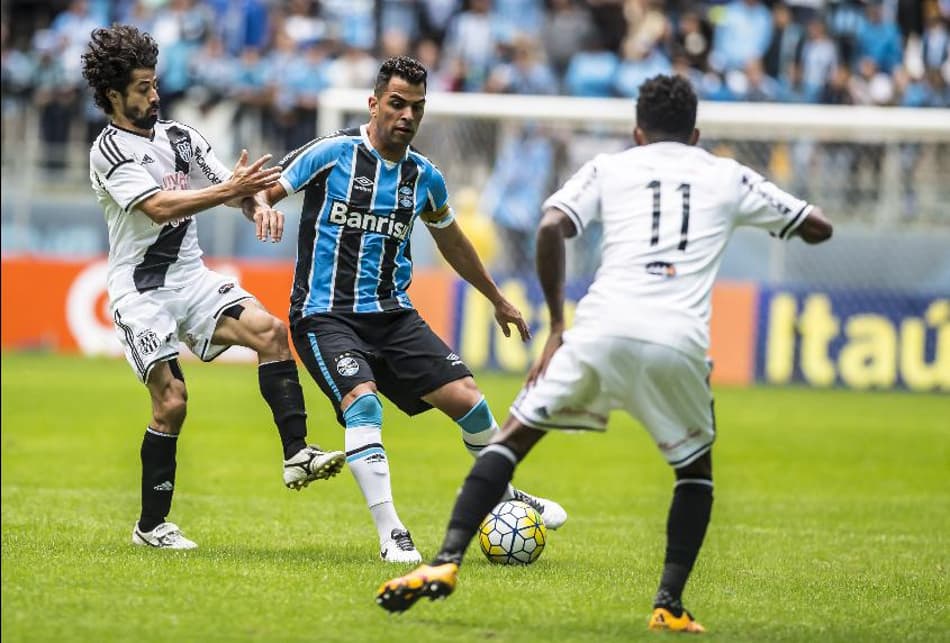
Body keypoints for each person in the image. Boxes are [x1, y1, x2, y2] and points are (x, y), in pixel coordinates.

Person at [375, 74, 833, 631]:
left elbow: (550, 226)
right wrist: (780, 222)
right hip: (678, 339)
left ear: (637, 131)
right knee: (694, 472)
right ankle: (668, 603)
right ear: (695, 132)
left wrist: (557, 324)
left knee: (512, 440)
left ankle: (445, 562)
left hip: (598, 328)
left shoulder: (611, 167)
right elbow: (817, 226)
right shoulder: (726, 174)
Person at [245, 56, 567, 563]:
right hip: (324, 315)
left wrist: (497, 297)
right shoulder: (332, 153)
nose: (407, 116)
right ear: (374, 104)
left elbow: (453, 242)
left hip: (393, 316)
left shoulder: (425, 177)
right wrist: (262, 206)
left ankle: (503, 497)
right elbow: (267, 188)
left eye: (417, 107)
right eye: (397, 104)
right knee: (363, 402)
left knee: (469, 398)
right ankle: (391, 530)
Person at [81, 25, 345, 550]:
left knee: (271, 332)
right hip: (141, 292)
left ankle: (298, 454)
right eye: (142, 88)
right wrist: (231, 190)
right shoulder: (109, 151)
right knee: (173, 403)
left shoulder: (180, 136)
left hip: (192, 279)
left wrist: (258, 203)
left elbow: (233, 187)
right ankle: (151, 527)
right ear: (113, 95)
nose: (155, 95)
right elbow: (158, 206)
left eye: (155, 85)